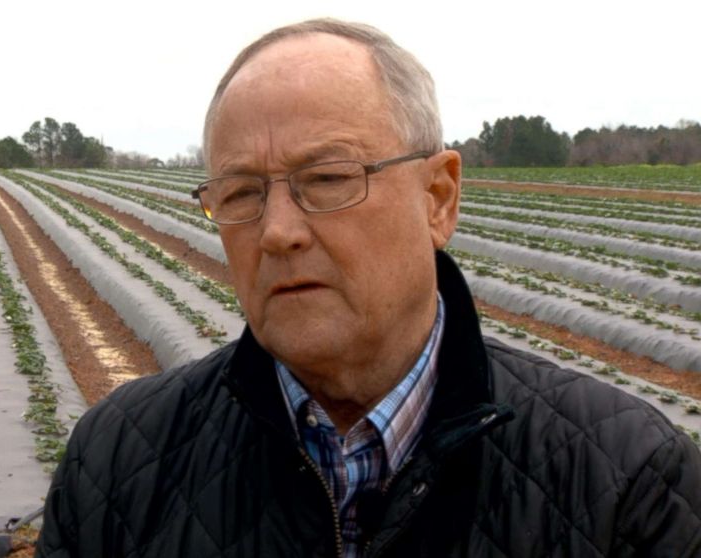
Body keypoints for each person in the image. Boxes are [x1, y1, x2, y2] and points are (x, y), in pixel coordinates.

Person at [37, 18, 701, 557]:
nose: (277, 232)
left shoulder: (626, 481)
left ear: (438, 198)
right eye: (240, 192)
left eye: (327, 179)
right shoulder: (118, 464)